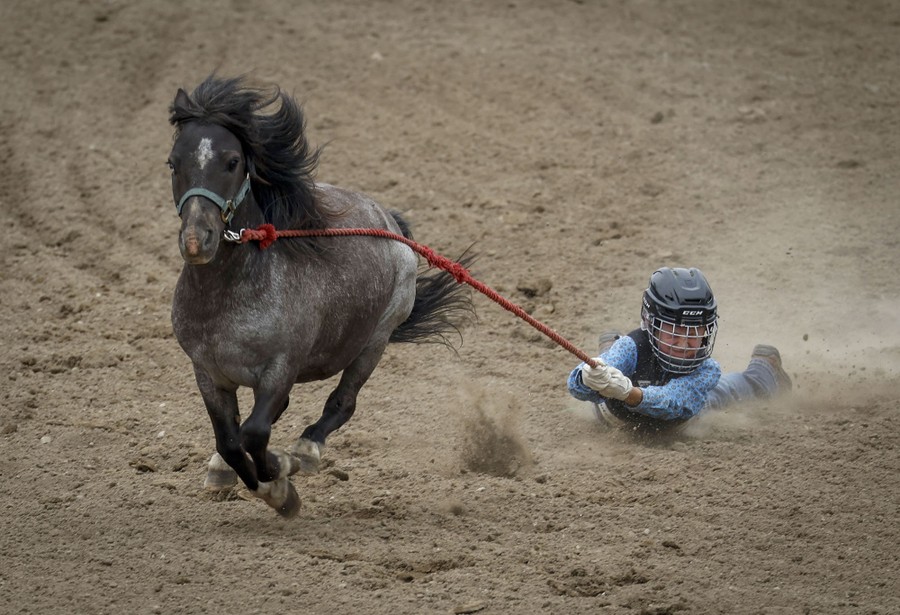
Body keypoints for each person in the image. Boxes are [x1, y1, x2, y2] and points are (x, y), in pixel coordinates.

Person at [567, 267, 792, 432]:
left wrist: (628, 392)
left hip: (683, 422)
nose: (684, 343)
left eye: (695, 332)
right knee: (610, 361)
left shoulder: (707, 370)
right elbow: (577, 389)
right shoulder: (631, 347)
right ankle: (609, 349)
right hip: (615, 418)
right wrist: (586, 377)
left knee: (728, 390)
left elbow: (673, 403)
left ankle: (763, 372)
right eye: (674, 332)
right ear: (650, 322)